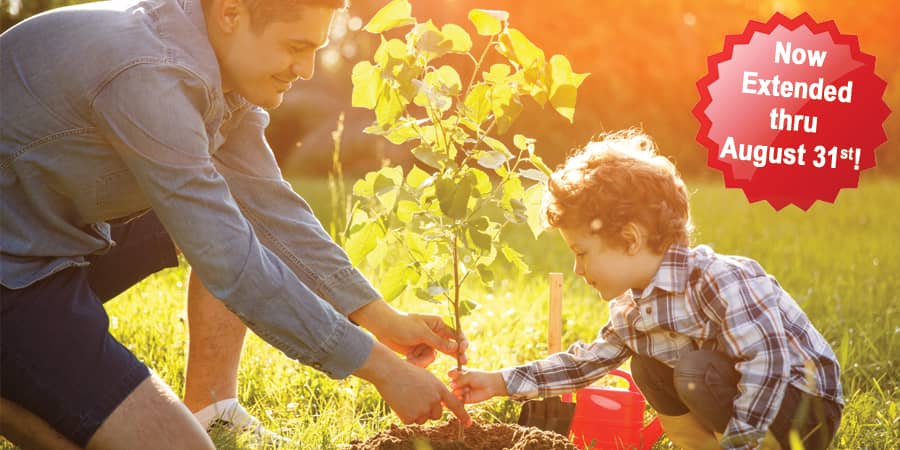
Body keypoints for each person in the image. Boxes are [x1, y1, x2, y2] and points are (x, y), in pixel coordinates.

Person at [0, 0, 473, 448]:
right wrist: (383, 370)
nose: (306, 69)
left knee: (226, 213)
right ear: (230, 12)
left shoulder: (216, 66)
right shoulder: (152, 75)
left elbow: (272, 209)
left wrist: (382, 319)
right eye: (296, 47)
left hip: (47, 233)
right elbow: (231, 262)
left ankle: (213, 406)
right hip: (13, 274)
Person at [449, 129, 843, 450]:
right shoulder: (631, 309)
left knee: (694, 370)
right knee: (647, 366)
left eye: (582, 252)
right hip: (741, 399)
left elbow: (767, 363)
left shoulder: (717, 280)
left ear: (629, 239)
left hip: (803, 407)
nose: (577, 268)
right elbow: (586, 362)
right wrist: (499, 381)